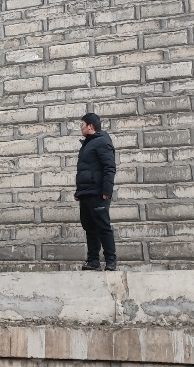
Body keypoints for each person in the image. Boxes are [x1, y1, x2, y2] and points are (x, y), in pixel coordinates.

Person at [74, 113, 117, 271]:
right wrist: (79, 191)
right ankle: (93, 261)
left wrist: (107, 190)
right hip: (86, 192)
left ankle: (111, 260)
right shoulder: (88, 144)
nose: (81, 128)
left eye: (82, 125)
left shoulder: (102, 142)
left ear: (90, 126)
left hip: (98, 193)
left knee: (103, 227)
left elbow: (109, 167)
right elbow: (85, 170)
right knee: (90, 228)